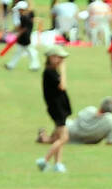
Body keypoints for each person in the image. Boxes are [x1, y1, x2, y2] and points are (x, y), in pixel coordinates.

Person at [38, 44, 72, 172]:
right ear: (51, 58)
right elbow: (62, 86)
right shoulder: (49, 72)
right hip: (58, 110)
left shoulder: (51, 72)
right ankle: (44, 160)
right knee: (64, 138)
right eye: (59, 57)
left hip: (59, 108)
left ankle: (58, 164)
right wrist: (63, 70)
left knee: (58, 137)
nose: (61, 61)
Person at [36, 96, 112, 143]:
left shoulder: (89, 110)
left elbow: (77, 120)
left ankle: (47, 139)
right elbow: (111, 141)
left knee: (63, 124)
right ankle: (47, 138)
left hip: (71, 132)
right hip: (89, 140)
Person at [5, 1, 40, 69]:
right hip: (24, 37)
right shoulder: (27, 15)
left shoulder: (24, 17)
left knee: (31, 52)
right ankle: (10, 65)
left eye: (19, 9)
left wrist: (18, 34)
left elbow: (24, 28)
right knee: (21, 52)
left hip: (25, 37)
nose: (18, 11)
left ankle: (35, 65)